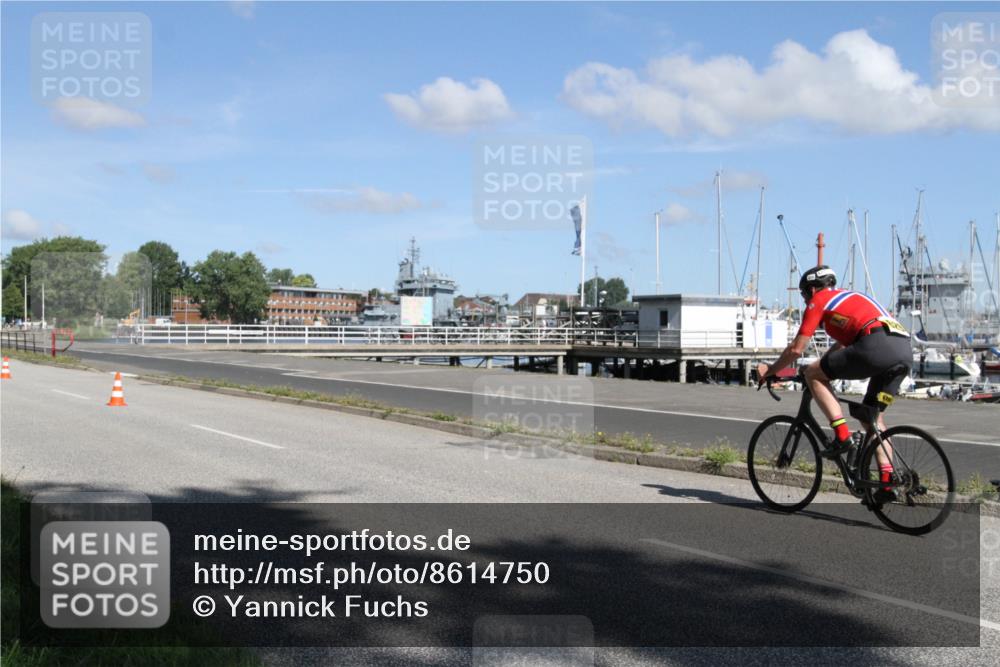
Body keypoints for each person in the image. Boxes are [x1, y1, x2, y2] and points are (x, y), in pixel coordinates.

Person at [756, 265, 912, 502]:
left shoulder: (819, 300)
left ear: (810, 289)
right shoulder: (852, 298)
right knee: (873, 417)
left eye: (804, 294)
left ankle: (841, 436)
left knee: (813, 376)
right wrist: (822, 364)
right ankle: (887, 482)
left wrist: (770, 370)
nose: (805, 299)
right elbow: (841, 348)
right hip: (902, 354)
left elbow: (797, 349)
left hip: (875, 347)